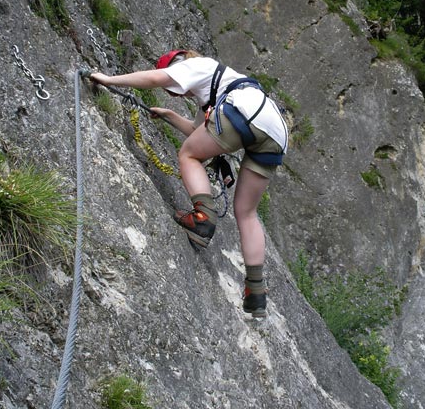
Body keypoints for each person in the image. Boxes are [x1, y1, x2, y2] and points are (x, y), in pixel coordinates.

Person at [85, 50, 288, 318]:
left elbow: (156, 78)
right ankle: (256, 292)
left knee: (187, 155)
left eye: (175, 89)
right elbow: (201, 134)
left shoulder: (197, 65)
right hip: (274, 132)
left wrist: (109, 80)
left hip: (245, 112)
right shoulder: (216, 89)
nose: (178, 92)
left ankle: (203, 218)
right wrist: (170, 114)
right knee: (247, 213)